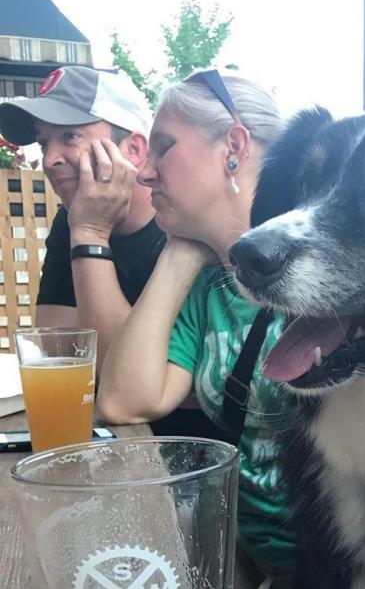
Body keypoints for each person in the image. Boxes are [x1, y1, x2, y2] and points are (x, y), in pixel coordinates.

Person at [97, 71, 291, 589]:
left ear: (233, 145)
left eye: (164, 146)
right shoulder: (210, 286)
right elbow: (124, 398)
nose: (144, 171)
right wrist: (179, 257)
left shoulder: (311, 270)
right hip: (247, 558)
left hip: (332, 569)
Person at [0, 66, 228, 439]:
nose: (50, 159)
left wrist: (90, 234)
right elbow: (59, 353)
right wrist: (84, 229)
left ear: (134, 150)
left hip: (193, 449)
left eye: (69, 136)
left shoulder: (185, 227)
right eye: (43, 143)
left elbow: (117, 374)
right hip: (114, 439)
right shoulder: (71, 220)